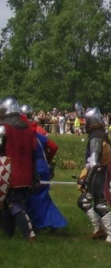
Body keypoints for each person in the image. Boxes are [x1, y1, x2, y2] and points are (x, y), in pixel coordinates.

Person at [77, 107, 111, 243]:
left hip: (100, 174)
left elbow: (94, 163)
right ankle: (99, 229)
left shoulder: (96, 138)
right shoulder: (101, 135)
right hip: (100, 173)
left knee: (100, 205)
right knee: (84, 202)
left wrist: (86, 181)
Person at [0, 97, 37, 241]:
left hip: (9, 173)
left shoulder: (3, 127)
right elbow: (33, 152)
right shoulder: (28, 127)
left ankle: (29, 234)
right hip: (27, 172)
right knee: (7, 205)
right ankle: (9, 233)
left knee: (14, 204)